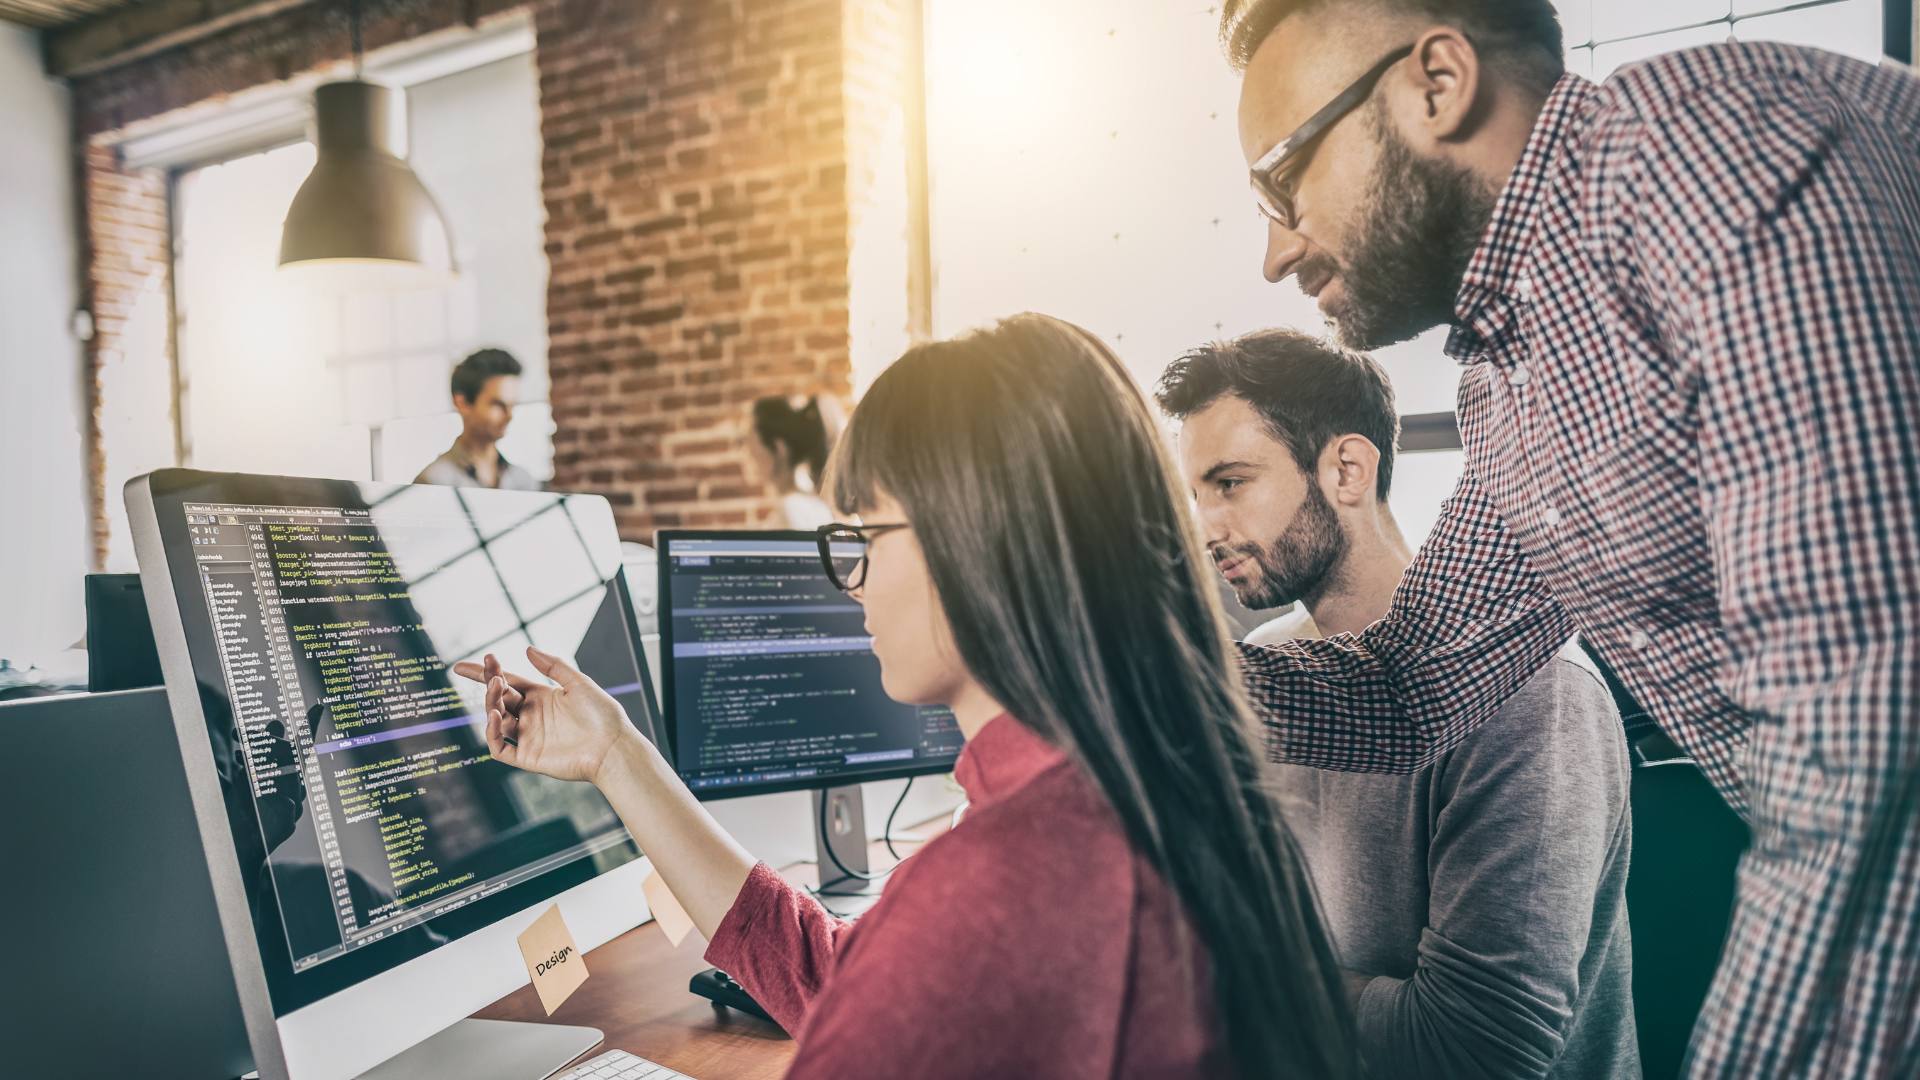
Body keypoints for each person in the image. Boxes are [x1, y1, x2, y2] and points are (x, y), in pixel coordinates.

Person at [1214, 2, 1920, 1075]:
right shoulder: (1513, 379)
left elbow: (1875, 755)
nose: (1275, 251)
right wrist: (1115, 665)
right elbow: (1414, 691)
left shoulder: (1730, 164)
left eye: (1282, 177)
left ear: (1437, 83)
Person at [455, 313, 1358, 1078]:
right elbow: (851, 983)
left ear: (977, 542)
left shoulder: (998, 888)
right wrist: (617, 754)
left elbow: (915, 970)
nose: (849, 583)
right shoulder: (1163, 785)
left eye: (865, 537)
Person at [1159, 328, 1637, 1079]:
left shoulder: (1532, 692)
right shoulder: (1272, 670)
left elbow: (1472, 1052)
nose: (1207, 527)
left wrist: (1240, 979)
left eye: (1230, 483)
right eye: (1195, 495)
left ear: (1348, 468)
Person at [414, 348, 541, 490]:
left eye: (512, 405)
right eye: (498, 405)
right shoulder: (432, 481)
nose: (509, 416)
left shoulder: (524, 481)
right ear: (462, 403)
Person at [745, 394, 841, 529]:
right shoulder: (807, 505)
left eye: (754, 446)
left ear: (779, 449)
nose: (749, 456)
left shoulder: (792, 509)